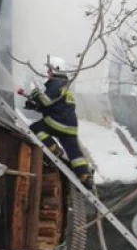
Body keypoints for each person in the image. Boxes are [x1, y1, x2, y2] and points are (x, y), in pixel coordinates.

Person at [16, 56, 94, 189]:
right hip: (70, 125)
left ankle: (54, 149)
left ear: (56, 69)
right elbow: (52, 105)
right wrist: (34, 106)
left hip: (57, 121)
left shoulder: (55, 83)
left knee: (35, 128)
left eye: (49, 70)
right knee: (75, 154)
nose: (48, 73)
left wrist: (35, 93)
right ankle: (85, 176)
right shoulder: (65, 85)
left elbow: (46, 101)